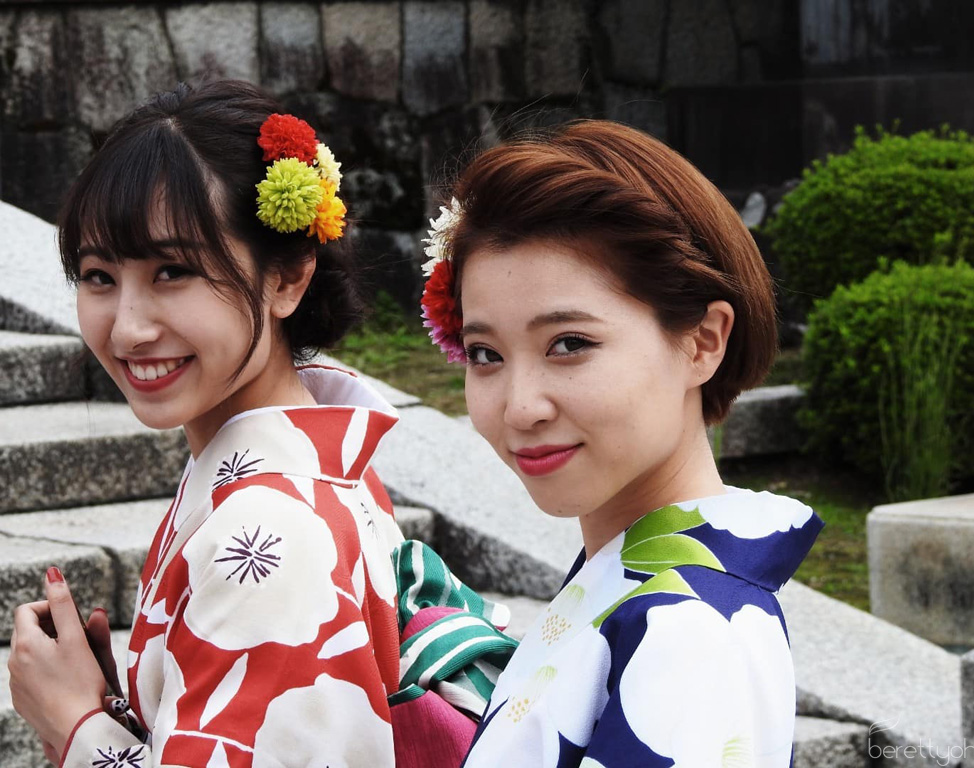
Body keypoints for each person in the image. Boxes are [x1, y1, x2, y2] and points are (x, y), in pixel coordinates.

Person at [7, 79, 408, 767]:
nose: (127, 329)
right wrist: (119, 708)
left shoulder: (267, 528)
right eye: (99, 276)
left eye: (172, 271)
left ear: (287, 277)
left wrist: (75, 723)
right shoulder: (321, 466)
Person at [419, 120, 825, 767]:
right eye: (485, 353)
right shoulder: (630, 587)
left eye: (569, 344)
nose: (520, 407)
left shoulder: (689, 634)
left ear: (703, 342)